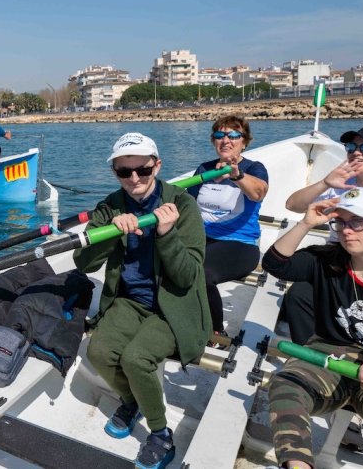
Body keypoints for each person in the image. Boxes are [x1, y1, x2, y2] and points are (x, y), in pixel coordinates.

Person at [73, 132, 209, 469]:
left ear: (157, 166)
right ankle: (133, 400)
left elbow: (187, 276)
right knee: (98, 352)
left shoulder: (183, 205)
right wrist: (110, 236)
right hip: (130, 300)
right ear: (115, 172)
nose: (134, 179)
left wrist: (167, 233)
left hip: (173, 306)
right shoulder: (110, 206)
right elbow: (84, 263)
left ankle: (161, 433)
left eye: (143, 171)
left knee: (136, 359)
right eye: (124, 172)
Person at [262, 187, 363, 469]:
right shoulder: (327, 260)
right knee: (287, 384)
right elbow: (275, 264)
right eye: (341, 223)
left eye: (358, 222)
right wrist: (306, 223)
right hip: (328, 357)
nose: (347, 231)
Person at [282, 124, 363, 345]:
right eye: (350, 147)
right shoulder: (340, 186)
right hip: (338, 260)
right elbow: (292, 204)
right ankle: (311, 353)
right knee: (299, 294)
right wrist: (325, 182)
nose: (356, 152)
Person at [187, 116, 269, 340]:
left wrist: (236, 175)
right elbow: (187, 205)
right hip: (202, 238)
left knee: (200, 272)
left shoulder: (254, 168)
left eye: (234, 135)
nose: (226, 140)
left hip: (239, 245)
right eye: (219, 135)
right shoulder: (204, 169)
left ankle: (216, 332)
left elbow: (258, 192)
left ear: (245, 141)